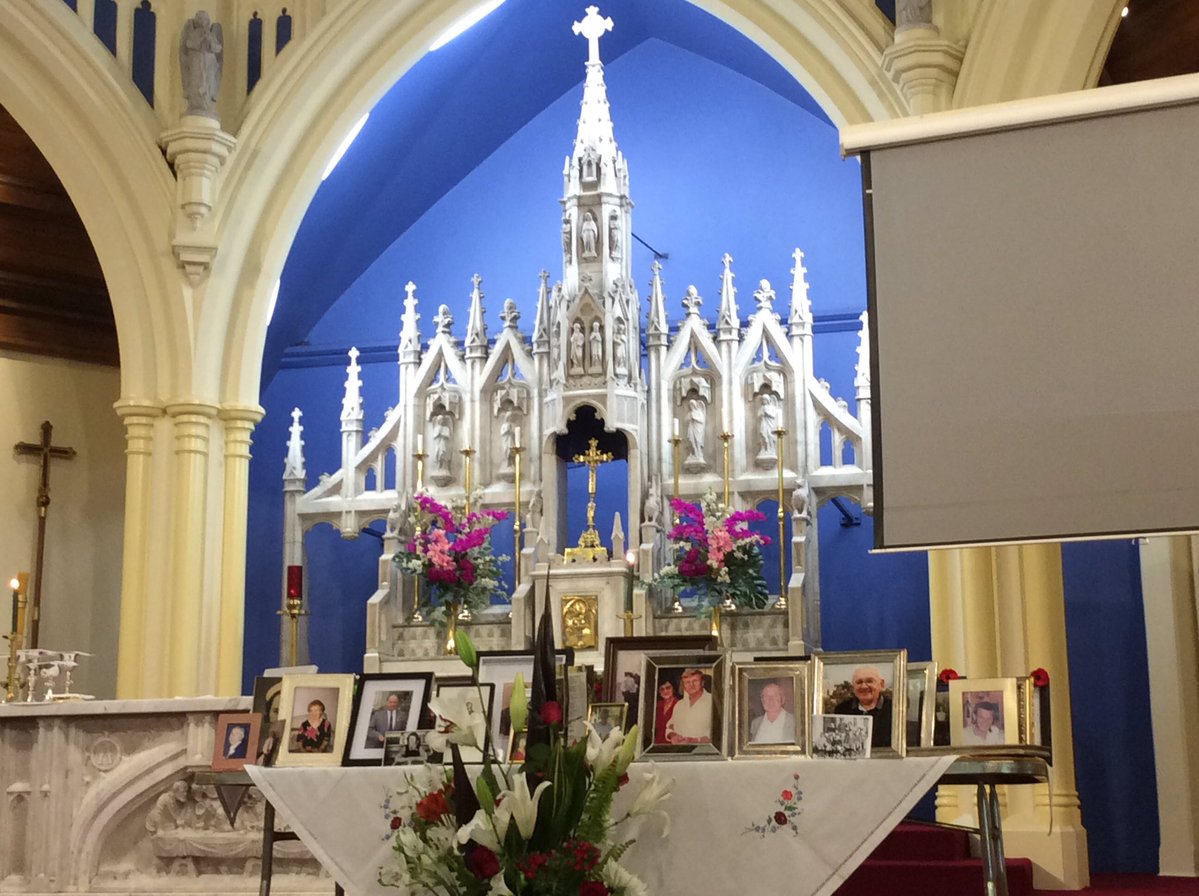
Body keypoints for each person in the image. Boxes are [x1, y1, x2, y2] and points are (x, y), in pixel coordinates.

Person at [834, 665, 893, 749]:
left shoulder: (894, 710)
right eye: (859, 682)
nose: (864, 686)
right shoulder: (842, 710)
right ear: (853, 687)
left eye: (869, 681)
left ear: (881, 684)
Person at [665, 668, 712, 744]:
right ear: (684, 686)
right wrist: (673, 736)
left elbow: (718, 733)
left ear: (702, 683)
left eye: (695, 681)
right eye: (687, 682)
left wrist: (696, 740)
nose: (691, 685)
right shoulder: (679, 705)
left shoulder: (712, 702)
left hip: (703, 749)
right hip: (679, 749)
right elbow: (670, 726)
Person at [749, 680, 796, 744]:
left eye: (775, 696)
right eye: (766, 696)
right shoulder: (755, 723)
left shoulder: (794, 722)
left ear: (782, 699)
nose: (770, 700)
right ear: (762, 701)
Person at [653, 679, 680, 744]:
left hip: (673, 744)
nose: (665, 691)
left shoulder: (679, 705)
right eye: (662, 689)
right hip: (657, 744)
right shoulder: (657, 705)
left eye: (668, 688)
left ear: (673, 688)